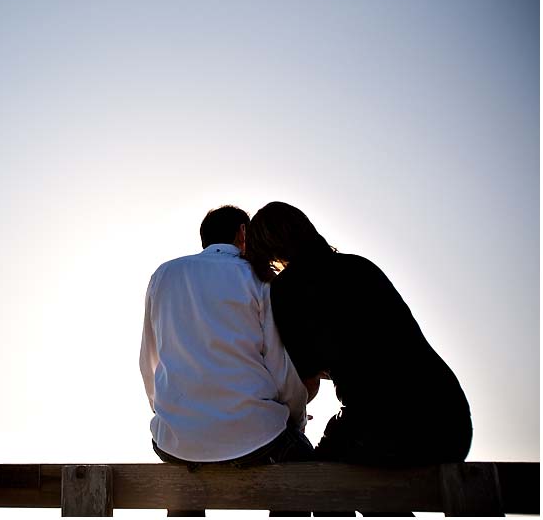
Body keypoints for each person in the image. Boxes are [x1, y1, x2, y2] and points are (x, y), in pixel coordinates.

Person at [245, 201, 473, 468]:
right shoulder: (361, 266)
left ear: (265, 248)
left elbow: (306, 383)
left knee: (317, 483)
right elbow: (374, 347)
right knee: (370, 491)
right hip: (449, 419)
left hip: (383, 424)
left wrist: (283, 415)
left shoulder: (287, 290)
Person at [139, 205, 313, 517]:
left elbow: (148, 362)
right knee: (304, 473)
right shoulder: (259, 278)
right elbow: (280, 367)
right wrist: (296, 421)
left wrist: (175, 415)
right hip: (256, 436)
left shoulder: (163, 275)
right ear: (243, 234)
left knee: (184, 487)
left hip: (175, 441)